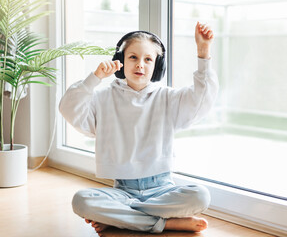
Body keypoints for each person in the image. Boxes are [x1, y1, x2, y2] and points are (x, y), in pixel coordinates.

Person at [59, 22, 219, 236]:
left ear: (157, 66)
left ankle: (120, 218)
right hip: (122, 190)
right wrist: (94, 78)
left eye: (148, 59)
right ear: (121, 61)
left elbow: (202, 100)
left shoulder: (168, 98)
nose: (140, 65)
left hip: (162, 188)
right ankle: (165, 223)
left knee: (201, 196)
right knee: (81, 201)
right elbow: (69, 108)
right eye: (133, 57)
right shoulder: (103, 97)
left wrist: (203, 52)